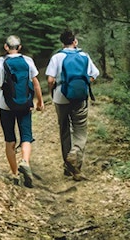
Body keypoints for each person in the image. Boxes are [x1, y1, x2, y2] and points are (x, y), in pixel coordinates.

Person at [0, 35, 45, 187]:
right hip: (25, 103)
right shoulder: (28, 61)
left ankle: (15, 174)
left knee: (10, 140)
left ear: (6, 47)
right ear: (20, 47)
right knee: (26, 137)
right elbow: (35, 83)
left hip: (5, 105)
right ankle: (25, 162)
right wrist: (39, 102)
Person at [46, 29, 100, 179]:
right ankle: (76, 156)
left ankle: (68, 167)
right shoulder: (84, 56)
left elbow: (50, 80)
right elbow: (94, 74)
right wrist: (82, 84)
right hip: (80, 97)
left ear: (62, 42)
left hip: (61, 97)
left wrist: (52, 91)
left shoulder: (57, 57)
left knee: (64, 130)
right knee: (80, 130)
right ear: (75, 41)